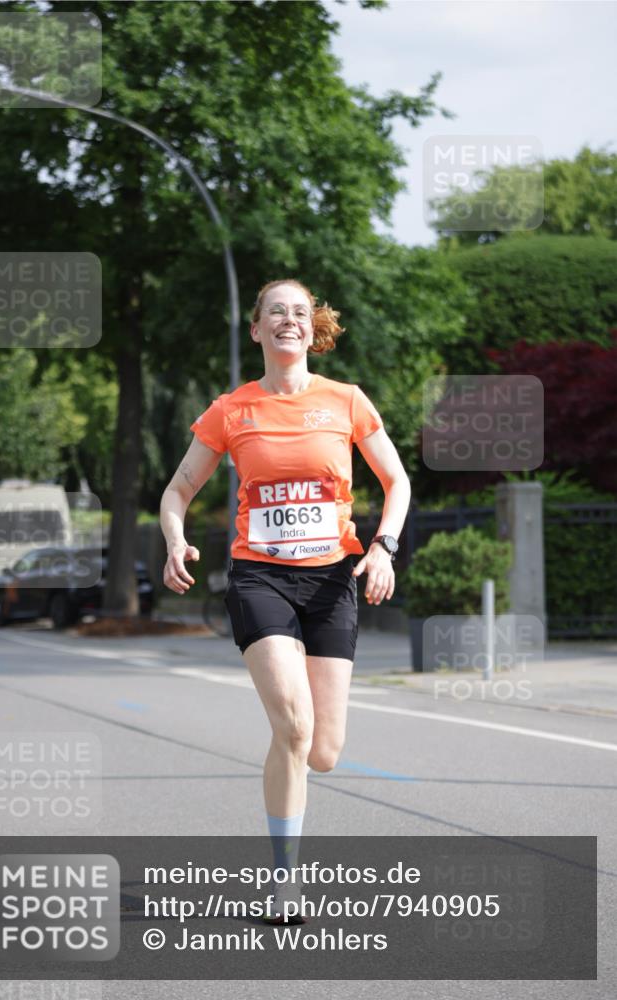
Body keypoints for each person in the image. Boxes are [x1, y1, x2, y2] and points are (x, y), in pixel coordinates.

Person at [160, 279, 411, 923]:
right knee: (293, 726)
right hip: (259, 578)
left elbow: (396, 479)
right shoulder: (232, 410)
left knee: (321, 749)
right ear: (257, 329)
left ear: (311, 327)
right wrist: (174, 541)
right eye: (276, 312)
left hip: (332, 583)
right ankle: (285, 883)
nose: (288, 321)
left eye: (299, 312)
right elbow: (178, 490)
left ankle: (290, 753)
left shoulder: (346, 401)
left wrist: (382, 547)